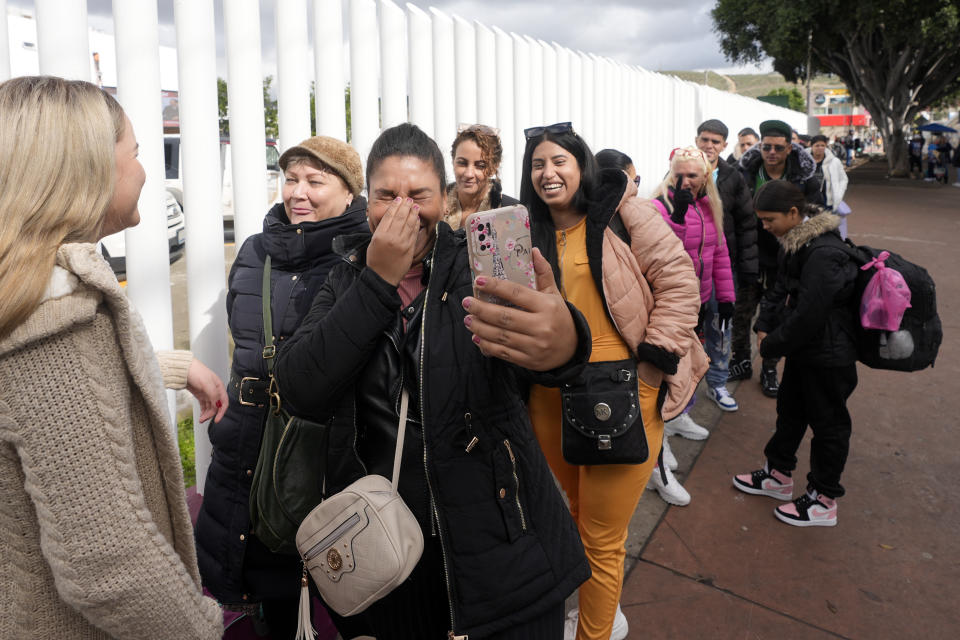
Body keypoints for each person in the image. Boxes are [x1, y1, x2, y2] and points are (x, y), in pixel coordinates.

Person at [274, 123, 592, 640]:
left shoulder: (476, 266)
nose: (403, 210)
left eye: (418, 195)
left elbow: (544, 352)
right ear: (366, 202)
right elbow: (300, 388)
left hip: (500, 550)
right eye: (386, 196)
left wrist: (564, 342)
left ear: (443, 200)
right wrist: (377, 281)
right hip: (388, 555)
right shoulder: (348, 275)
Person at [0, 76, 226, 639]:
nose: (146, 172)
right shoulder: (53, 333)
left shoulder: (32, 307)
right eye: (137, 153)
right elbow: (111, 565)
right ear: (89, 169)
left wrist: (171, 367)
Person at [521, 122, 706, 640]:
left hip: (621, 396)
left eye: (559, 160)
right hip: (549, 396)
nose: (548, 172)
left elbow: (679, 282)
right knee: (574, 516)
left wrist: (652, 367)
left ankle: (595, 630)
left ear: (581, 165)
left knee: (602, 536)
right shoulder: (524, 229)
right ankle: (596, 606)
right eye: (537, 164)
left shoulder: (625, 214)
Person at [194, 135, 370, 638]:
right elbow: (240, 332)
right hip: (240, 447)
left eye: (316, 181)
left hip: (313, 456)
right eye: (291, 178)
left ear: (350, 194)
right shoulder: (255, 250)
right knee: (239, 588)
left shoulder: (359, 259)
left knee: (314, 599)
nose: (299, 192)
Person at [733, 180, 858, 527]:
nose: (764, 226)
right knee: (790, 412)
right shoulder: (795, 241)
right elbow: (781, 289)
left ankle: (823, 500)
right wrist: (765, 324)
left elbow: (810, 313)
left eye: (769, 219)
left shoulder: (824, 251)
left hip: (830, 355)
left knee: (828, 426)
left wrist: (771, 345)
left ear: (793, 213)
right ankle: (778, 475)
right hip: (806, 351)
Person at [646, 146, 734, 507]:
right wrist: (678, 215)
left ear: (705, 177)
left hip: (700, 301)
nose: (685, 181)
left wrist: (725, 296)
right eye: (679, 174)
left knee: (689, 366)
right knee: (664, 373)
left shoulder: (711, 206)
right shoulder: (660, 206)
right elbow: (660, 249)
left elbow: (720, 251)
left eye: (693, 175)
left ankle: (680, 415)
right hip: (669, 306)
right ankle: (660, 440)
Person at [739, 119, 823, 397]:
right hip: (750, 256)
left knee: (775, 316)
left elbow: (815, 217)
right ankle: (739, 362)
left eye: (778, 147)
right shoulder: (746, 173)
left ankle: (769, 369)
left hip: (786, 259)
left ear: (789, 149)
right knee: (742, 314)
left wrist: (799, 254)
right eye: (766, 147)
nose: (771, 152)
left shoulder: (806, 179)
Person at [694, 119, 758, 394]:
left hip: (723, 268)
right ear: (697, 140)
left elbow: (746, 225)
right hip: (688, 268)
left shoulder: (734, 177)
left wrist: (747, 270)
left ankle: (718, 383)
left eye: (715, 142)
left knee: (721, 326)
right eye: (705, 139)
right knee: (687, 329)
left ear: (724, 146)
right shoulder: (679, 170)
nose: (709, 145)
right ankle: (684, 392)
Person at [444, 123, 519, 229]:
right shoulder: (437, 208)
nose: (469, 174)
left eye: (480, 166)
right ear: (453, 161)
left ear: (494, 167)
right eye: (462, 163)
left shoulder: (511, 212)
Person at [809, 134, 850, 237]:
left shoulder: (834, 161)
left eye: (823, 145)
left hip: (827, 202)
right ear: (811, 146)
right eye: (817, 145)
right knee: (810, 230)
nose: (820, 148)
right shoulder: (805, 161)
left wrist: (839, 194)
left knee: (827, 230)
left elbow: (843, 179)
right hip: (808, 201)